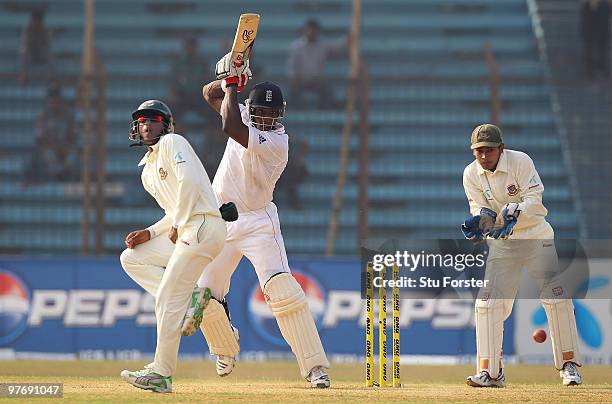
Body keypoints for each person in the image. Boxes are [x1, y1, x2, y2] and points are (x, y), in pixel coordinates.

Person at [181, 53, 331, 388]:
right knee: (202, 295)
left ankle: (315, 368)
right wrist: (230, 78)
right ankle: (224, 347)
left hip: (258, 223)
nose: (262, 118)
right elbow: (210, 95)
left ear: (281, 116)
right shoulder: (245, 111)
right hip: (221, 220)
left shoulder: (278, 142)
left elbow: (230, 126)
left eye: (269, 114)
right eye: (259, 112)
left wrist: (234, 86)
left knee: (282, 291)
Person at [118, 100, 228, 393]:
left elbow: (190, 183)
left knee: (167, 297)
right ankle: (192, 298)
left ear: (166, 125)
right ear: (135, 129)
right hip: (190, 228)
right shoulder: (147, 171)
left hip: (202, 226)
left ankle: (161, 374)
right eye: (142, 121)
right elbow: (173, 208)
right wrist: (151, 231)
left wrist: (180, 223)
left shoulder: (172, 142)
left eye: (154, 120)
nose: (147, 125)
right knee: (132, 257)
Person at [461, 124, 583, 387]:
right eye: (479, 151)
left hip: (536, 236)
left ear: (500, 149)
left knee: (556, 295)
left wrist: (514, 212)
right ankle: (490, 373)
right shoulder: (471, 174)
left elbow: (535, 200)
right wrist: (481, 221)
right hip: (503, 245)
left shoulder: (520, 161)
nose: (484, 156)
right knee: (487, 304)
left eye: (489, 150)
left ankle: (569, 364)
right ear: (473, 152)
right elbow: (480, 208)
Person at [286, 19, 346, 109]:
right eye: (309, 30)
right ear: (305, 31)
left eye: (313, 31)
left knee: (327, 90)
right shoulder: (296, 46)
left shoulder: (322, 45)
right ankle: (294, 111)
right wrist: (293, 79)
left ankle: (325, 110)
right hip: (300, 80)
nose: (311, 33)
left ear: (317, 32)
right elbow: (291, 65)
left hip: (317, 80)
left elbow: (338, 47)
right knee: (291, 92)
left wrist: (348, 38)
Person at [25, 85, 77, 183]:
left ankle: (66, 175)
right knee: (49, 154)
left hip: (64, 146)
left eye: (56, 100)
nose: (54, 103)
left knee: (72, 155)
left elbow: (73, 135)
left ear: (60, 101)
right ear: (48, 101)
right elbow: (39, 137)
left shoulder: (68, 115)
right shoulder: (42, 116)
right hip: (48, 147)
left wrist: (66, 144)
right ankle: (58, 175)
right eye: (51, 100)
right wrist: (51, 144)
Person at [167, 36, 213, 131]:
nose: (190, 49)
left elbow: (208, 81)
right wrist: (173, 94)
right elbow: (172, 82)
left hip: (199, 97)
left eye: (192, 47)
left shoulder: (202, 64)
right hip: (182, 97)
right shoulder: (179, 64)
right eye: (188, 47)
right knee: (169, 114)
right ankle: (176, 134)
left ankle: (211, 136)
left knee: (214, 114)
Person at [18, 10, 52, 85]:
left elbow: (46, 42)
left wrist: (45, 39)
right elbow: (26, 42)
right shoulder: (27, 29)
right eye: (34, 20)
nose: (36, 22)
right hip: (30, 52)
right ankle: (23, 76)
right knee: (25, 54)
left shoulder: (43, 28)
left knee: (48, 55)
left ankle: (50, 76)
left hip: (39, 52)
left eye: (38, 21)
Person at [581, 0, 611, 80]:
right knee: (590, 49)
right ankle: (590, 71)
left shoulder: (605, 5)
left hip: (602, 32)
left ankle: (601, 69)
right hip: (591, 32)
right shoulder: (587, 5)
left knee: (602, 49)